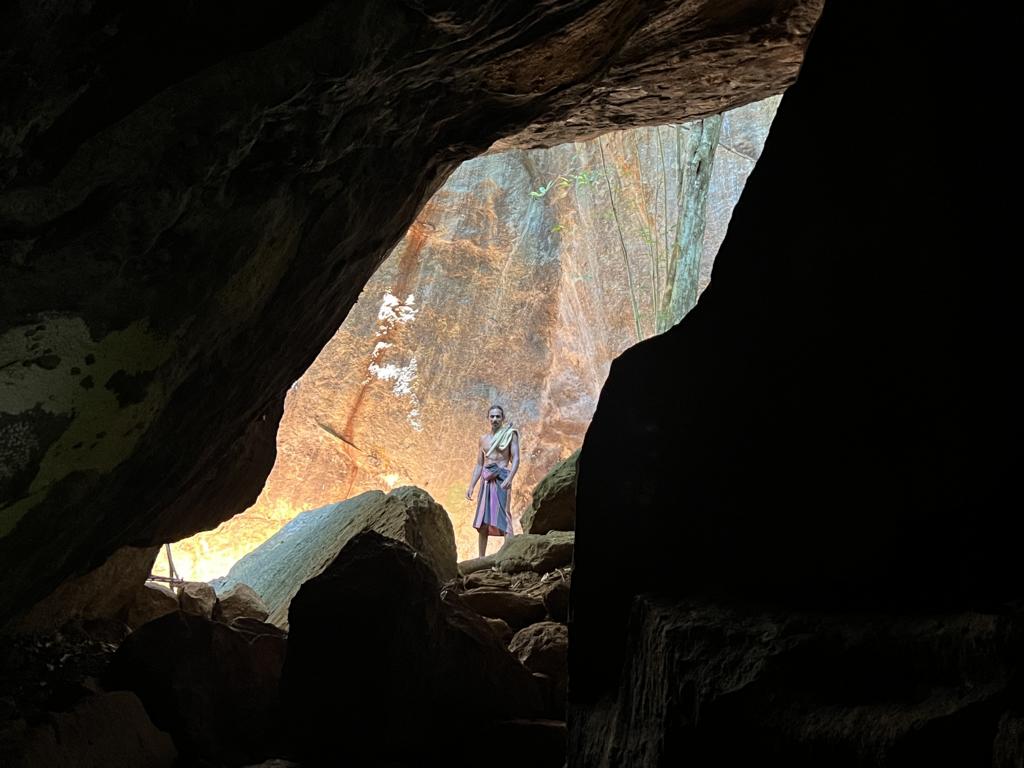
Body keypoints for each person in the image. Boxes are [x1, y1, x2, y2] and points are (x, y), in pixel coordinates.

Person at [465, 404, 520, 557]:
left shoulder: (510, 435)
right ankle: (481, 559)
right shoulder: (483, 439)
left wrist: (510, 477)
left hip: (502, 478)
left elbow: (516, 458)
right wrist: (471, 486)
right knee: (483, 519)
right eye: (492, 416)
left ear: (503, 418)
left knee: (504, 516)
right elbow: (479, 464)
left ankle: (509, 556)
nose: (495, 419)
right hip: (486, 480)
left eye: (498, 416)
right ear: (488, 418)